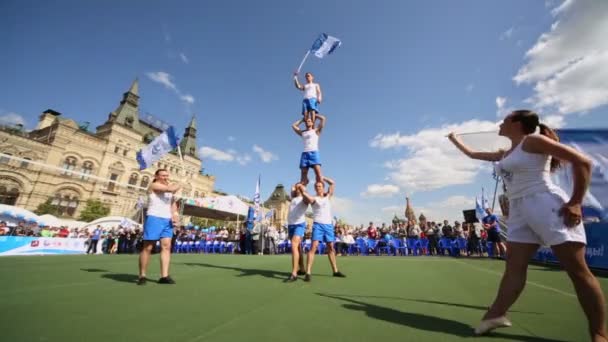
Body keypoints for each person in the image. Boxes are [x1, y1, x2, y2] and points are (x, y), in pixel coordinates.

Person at [448, 110, 607, 340]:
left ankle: (599, 333)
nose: (500, 123)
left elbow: (582, 161)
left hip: (545, 203)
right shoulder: (506, 152)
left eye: (504, 120)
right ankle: (496, 314)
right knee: (514, 266)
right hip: (519, 210)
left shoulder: (533, 141)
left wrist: (575, 203)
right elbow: (472, 154)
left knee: (577, 270)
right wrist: (454, 139)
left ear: (517, 123)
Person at [137, 169, 181, 285]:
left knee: (166, 247)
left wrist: (175, 215)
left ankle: (164, 276)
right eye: (163, 175)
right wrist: (182, 182)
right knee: (148, 247)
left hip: (167, 220)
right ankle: (142, 275)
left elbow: (173, 205)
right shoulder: (154, 185)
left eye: (167, 175)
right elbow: (171, 189)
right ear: (156, 176)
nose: (166, 177)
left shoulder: (169, 190)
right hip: (154, 217)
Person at [300, 177, 345, 281]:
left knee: (331, 247)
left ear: (323, 187)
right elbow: (307, 196)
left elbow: (332, 183)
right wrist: (302, 188)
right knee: (313, 247)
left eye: (320, 186)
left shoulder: (327, 197)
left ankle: (335, 271)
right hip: (318, 225)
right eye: (316, 186)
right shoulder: (313, 198)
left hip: (328, 225)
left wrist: (322, 178)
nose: (318, 187)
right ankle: (308, 272)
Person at [292, 115, 326, 185]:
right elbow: (293, 126)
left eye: (309, 121)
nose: (307, 122)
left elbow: (323, 119)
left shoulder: (316, 131)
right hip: (305, 153)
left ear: (312, 123)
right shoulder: (303, 132)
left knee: (318, 174)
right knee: (303, 174)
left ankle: (321, 193)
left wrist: (315, 115)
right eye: (306, 121)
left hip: (314, 152)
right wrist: (302, 120)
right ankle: (304, 186)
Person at [285, 183, 309, 282]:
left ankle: (294, 273)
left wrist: (301, 187)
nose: (296, 188)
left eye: (298, 187)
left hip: (299, 224)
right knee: (298, 248)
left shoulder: (304, 198)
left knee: (294, 246)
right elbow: (292, 188)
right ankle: (302, 268)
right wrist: (296, 186)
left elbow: (307, 198)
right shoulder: (294, 198)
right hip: (291, 224)